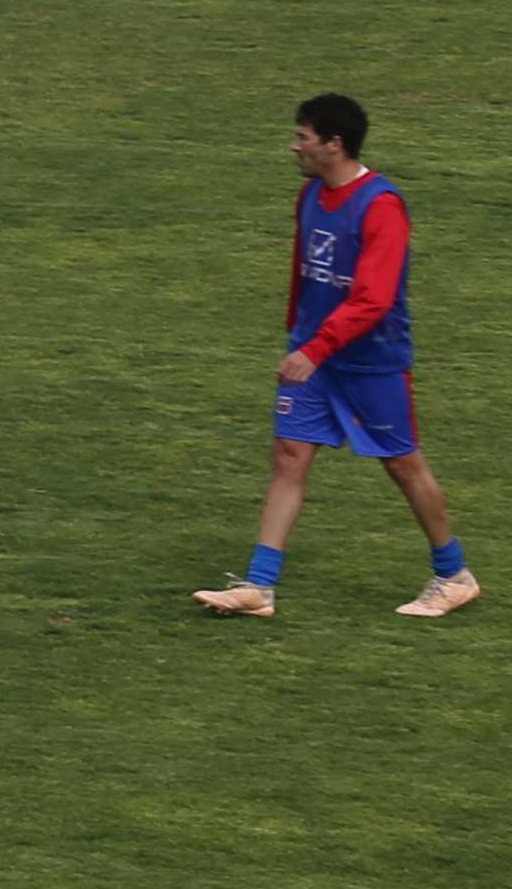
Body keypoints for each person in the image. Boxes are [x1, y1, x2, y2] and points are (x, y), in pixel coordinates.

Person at [200, 96, 477, 622]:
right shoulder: (310, 195)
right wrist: (300, 339)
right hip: (313, 355)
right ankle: (260, 585)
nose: (294, 145)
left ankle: (454, 575)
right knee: (289, 456)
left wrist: (315, 348)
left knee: (402, 464)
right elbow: (306, 276)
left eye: (303, 137)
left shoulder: (381, 206)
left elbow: (373, 299)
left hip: (369, 361)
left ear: (335, 144)